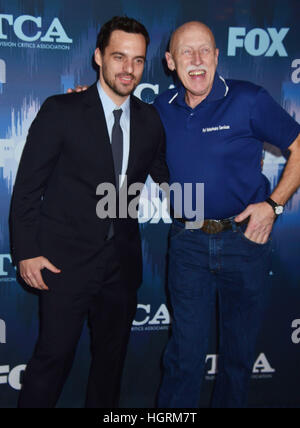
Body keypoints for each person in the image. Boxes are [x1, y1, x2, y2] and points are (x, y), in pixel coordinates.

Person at [10, 16, 168, 408]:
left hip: (122, 266)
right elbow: (28, 187)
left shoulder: (150, 120)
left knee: (110, 366)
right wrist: (26, 251)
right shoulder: (61, 110)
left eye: (136, 60)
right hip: (64, 264)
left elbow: (170, 179)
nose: (128, 69)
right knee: (52, 361)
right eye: (118, 57)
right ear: (98, 57)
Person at [153, 21, 300, 408]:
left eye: (205, 50)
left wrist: (273, 205)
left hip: (244, 242)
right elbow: (117, 121)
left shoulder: (248, 99)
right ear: (170, 61)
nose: (197, 60)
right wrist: (87, 99)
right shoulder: (159, 109)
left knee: (237, 360)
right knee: (184, 359)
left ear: (218, 56)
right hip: (187, 245)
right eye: (186, 51)